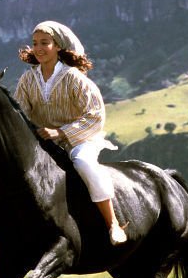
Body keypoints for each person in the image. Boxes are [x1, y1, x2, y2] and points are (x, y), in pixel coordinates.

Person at [14, 20, 127, 245]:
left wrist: (61, 132)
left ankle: (113, 223)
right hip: (45, 140)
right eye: (35, 43)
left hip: (82, 139)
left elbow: (95, 115)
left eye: (44, 43)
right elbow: (21, 113)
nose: (38, 48)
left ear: (58, 46)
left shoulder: (74, 78)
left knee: (83, 162)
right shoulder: (28, 79)